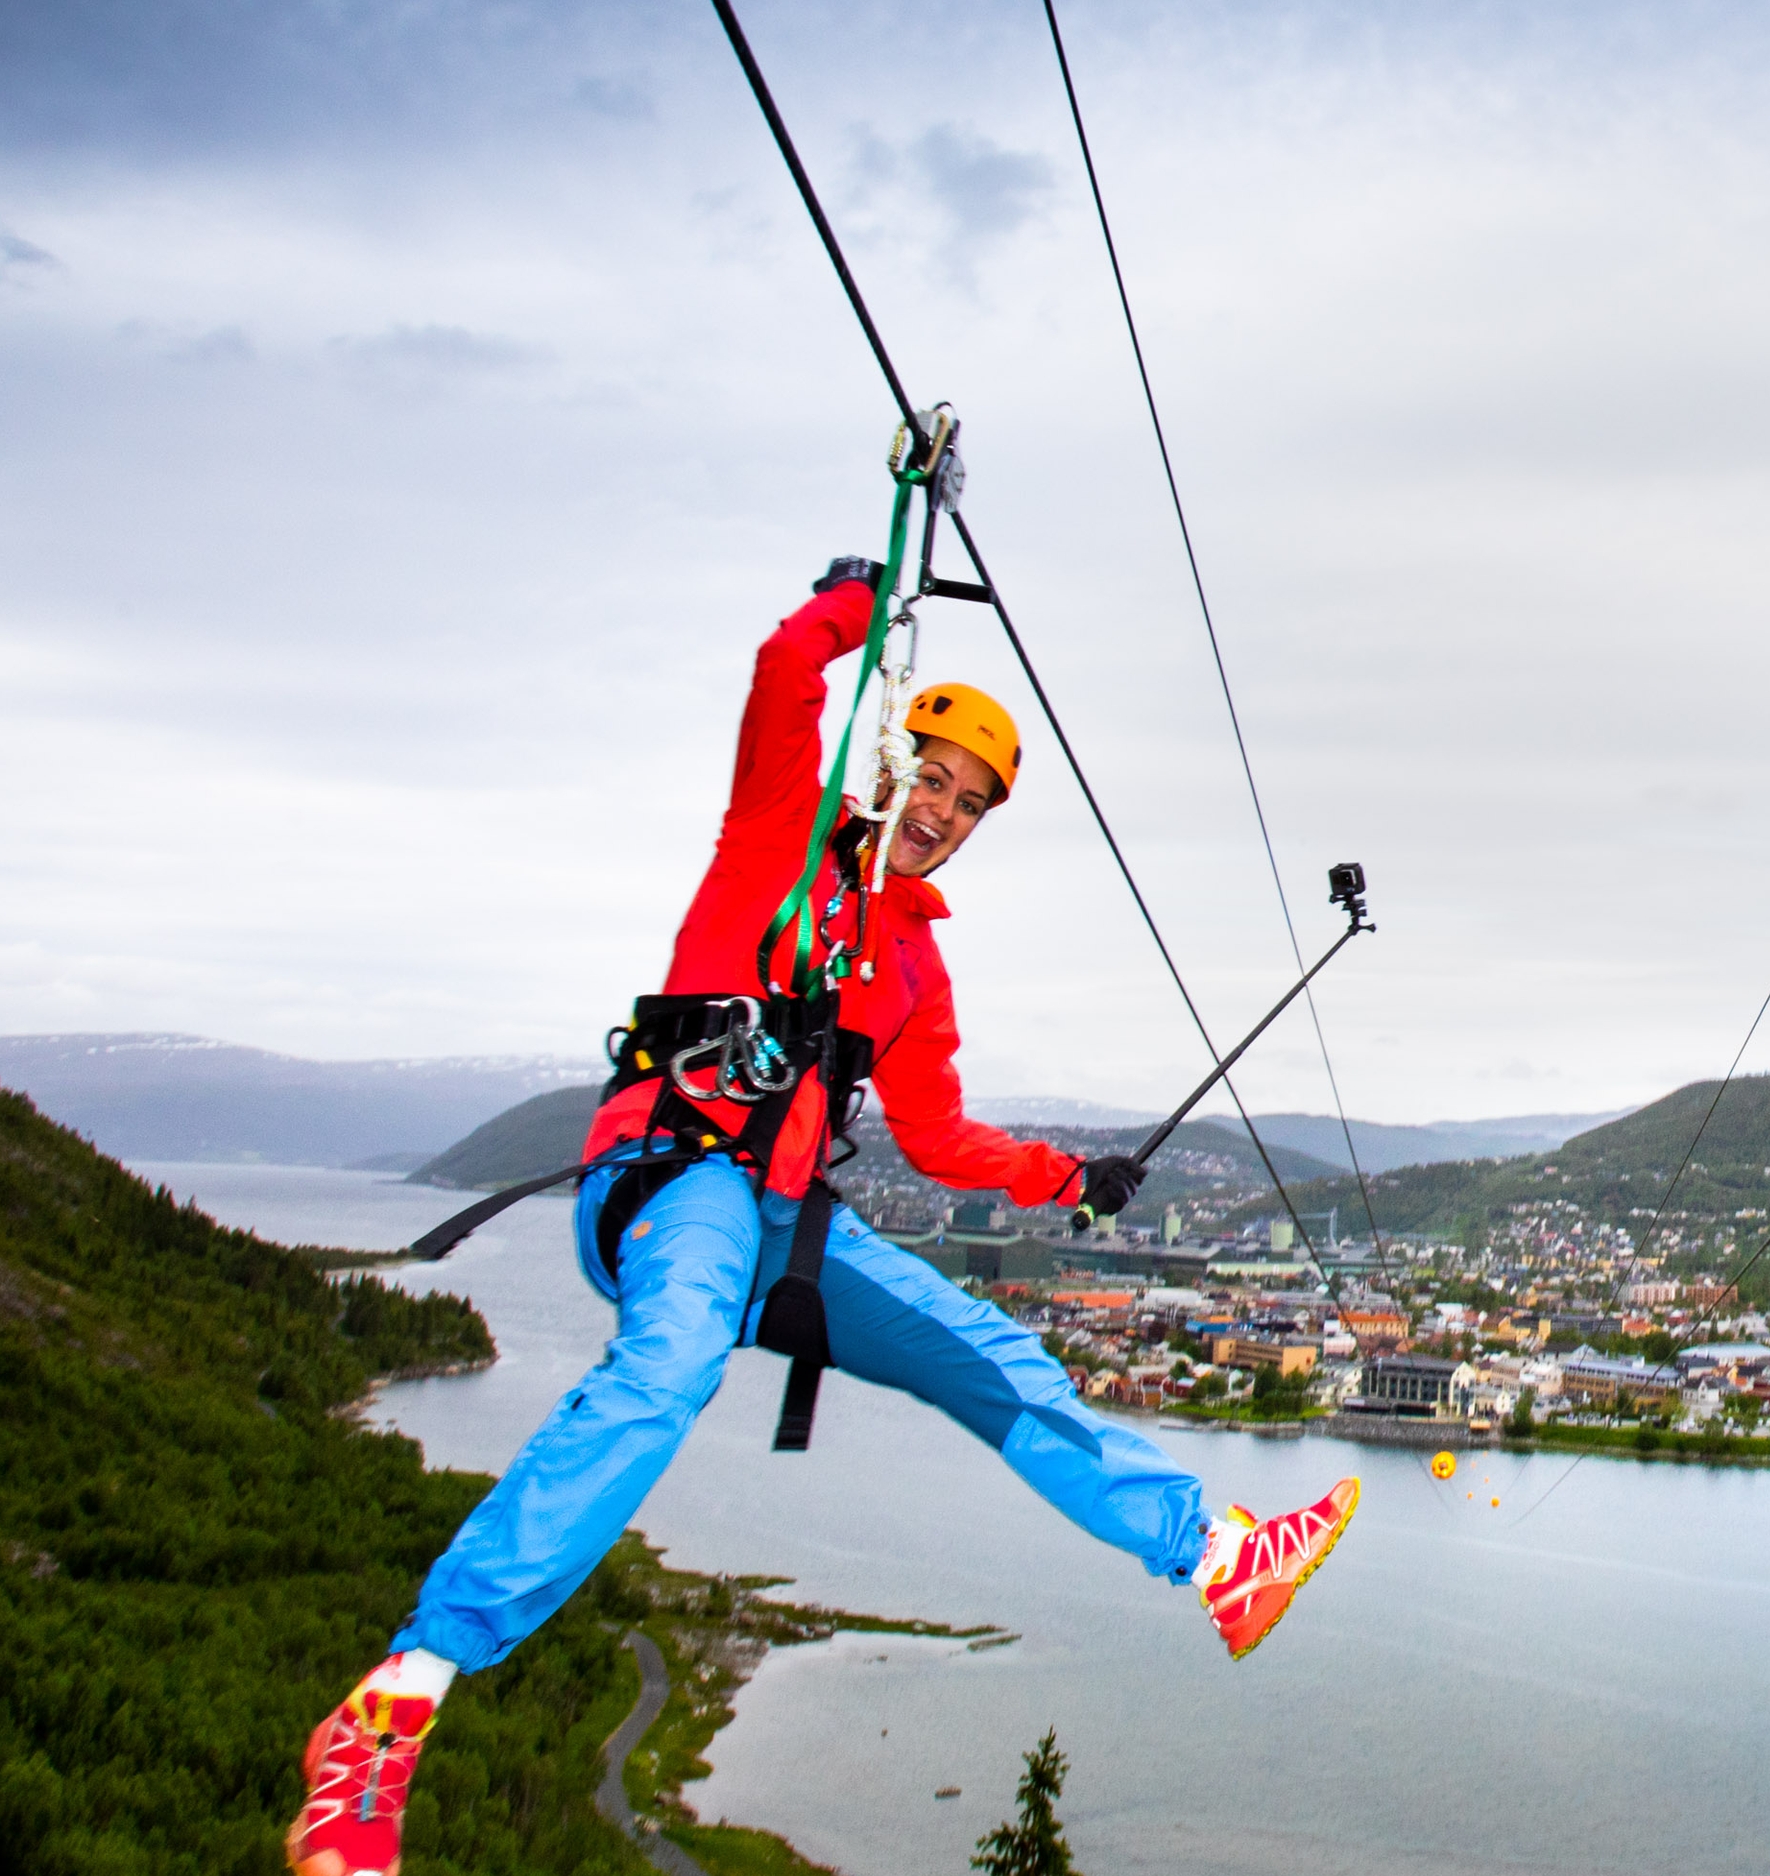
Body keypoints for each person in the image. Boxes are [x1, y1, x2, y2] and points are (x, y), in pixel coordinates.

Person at [288, 561, 1358, 1876]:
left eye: (967, 804)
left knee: (995, 1358)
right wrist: (861, 600)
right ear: (889, 765)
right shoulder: (777, 843)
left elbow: (938, 1136)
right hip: (676, 1180)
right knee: (668, 1367)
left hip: (788, 1222)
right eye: (931, 779)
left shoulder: (912, 965)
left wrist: (1069, 1181)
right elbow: (784, 678)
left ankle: (1214, 1561)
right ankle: (396, 1706)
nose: (941, 813)